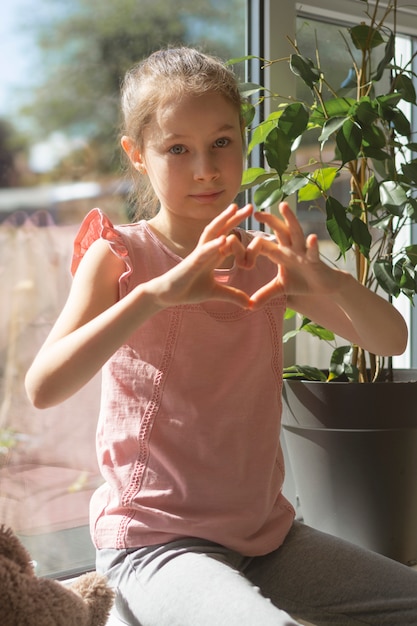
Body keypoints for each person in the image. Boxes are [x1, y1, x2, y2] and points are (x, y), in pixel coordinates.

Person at [25, 47, 416, 626]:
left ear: (243, 139)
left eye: (222, 143)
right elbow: (44, 386)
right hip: (155, 544)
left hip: (269, 541)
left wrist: (330, 282)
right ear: (137, 155)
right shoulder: (120, 256)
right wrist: (154, 295)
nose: (205, 168)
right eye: (177, 149)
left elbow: (391, 340)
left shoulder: (264, 259)